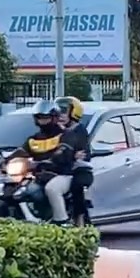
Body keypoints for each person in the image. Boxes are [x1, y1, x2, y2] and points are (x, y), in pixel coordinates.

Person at [15, 101, 77, 225]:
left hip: (63, 174)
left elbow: (64, 151)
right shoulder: (34, 138)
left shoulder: (66, 135)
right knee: (20, 189)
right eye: (39, 118)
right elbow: (22, 151)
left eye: (46, 118)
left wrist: (51, 160)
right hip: (41, 176)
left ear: (55, 118)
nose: (42, 121)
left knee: (52, 189)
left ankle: (62, 221)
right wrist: (5, 161)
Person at [55, 96, 92, 225]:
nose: (61, 115)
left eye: (64, 111)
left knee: (77, 187)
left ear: (73, 112)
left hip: (79, 170)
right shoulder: (55, 130)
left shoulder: (79, 130)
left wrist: (72, 154)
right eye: (58, 111)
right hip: (61, 169)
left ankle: (80, 221)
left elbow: (81, 153)